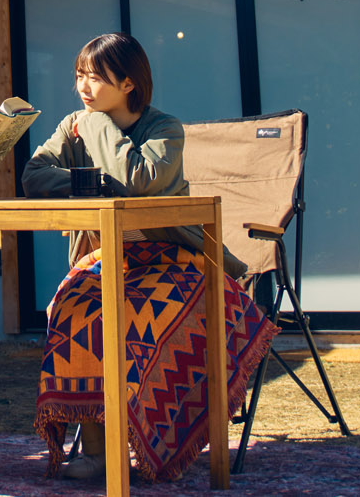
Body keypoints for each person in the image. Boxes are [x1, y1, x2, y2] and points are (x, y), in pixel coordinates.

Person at [21, 32, 277, 482]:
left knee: (135, 315)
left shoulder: (163, 129)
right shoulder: (70, 126)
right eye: (79, 75)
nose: (83, 87)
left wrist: (98, 127)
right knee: (74, 306)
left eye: (96, 77)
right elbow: (35, 176)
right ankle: (99, 451)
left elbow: (141, 180)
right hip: (109, 256)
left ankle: (155, 439)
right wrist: (96, 185)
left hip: (177, 260)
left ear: (128, 84)